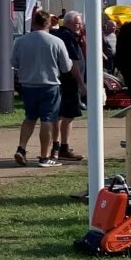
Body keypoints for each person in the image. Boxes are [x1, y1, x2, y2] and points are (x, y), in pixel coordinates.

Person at [10, 9, 71, 167]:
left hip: (28, 85)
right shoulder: (56, 42)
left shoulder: (21, 41)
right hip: (49, 85)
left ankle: (21, 148)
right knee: (48, 120)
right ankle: (44, 156)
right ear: (49, 23)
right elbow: (65, 67)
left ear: (33, 22)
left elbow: (13, 63)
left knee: (30, 118)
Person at [49, 11, 86, 162]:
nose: (80, 26)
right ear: (69, 22)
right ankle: (61, 147)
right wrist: (81, 83)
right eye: (78, 23)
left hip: (60, 81)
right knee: (68, 115)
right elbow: (73, 63)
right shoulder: (68, 36)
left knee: (59, 115)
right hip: (68, 81)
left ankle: (56, 148)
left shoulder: (59, 34)